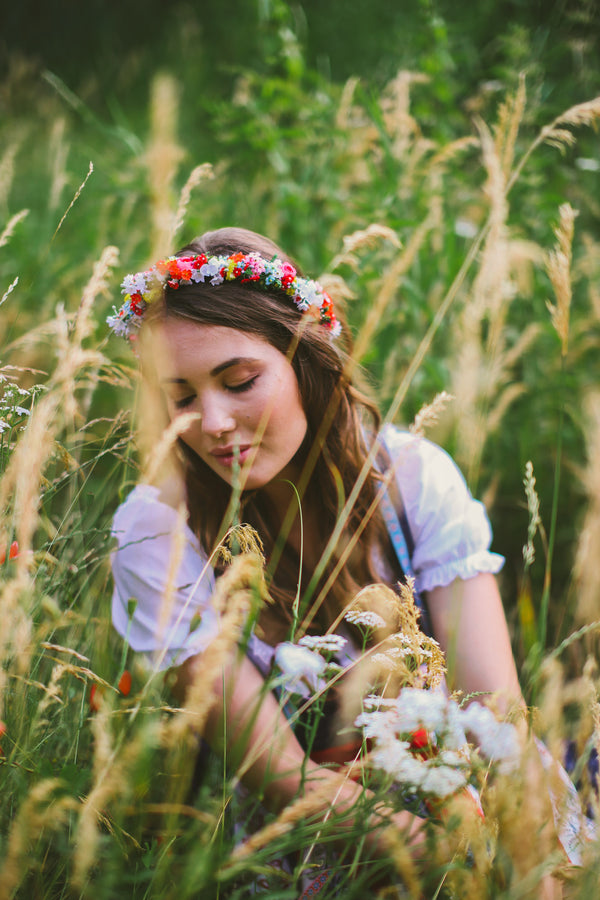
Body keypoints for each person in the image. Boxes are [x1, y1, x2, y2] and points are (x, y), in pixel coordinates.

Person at [108, 227, 559, 892]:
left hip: (481, 796)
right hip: (318, 844)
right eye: (181, 397)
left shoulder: (411, 480)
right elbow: (284, 773)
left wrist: (522, 869)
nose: (213, 422)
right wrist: (446, 860)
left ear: (308, 362)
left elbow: (496, 716)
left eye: (239, 381)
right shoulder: (158, 534)